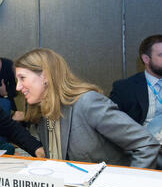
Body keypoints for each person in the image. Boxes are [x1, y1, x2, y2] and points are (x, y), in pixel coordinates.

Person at [15, 48, 159, 169]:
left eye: (22, 78)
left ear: (45, 76)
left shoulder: (88, 103)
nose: (18, 87)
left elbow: (146, 145)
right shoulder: (44, 112)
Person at [110, 35, 162, 169]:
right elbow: (114, 127)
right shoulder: (125, 88)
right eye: (161, 55)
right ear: (146, 59)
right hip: (146, 148)